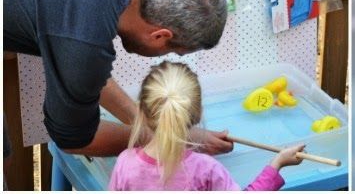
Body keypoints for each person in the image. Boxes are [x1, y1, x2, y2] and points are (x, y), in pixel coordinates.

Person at [4, 0, 232, 157]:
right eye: (173, 52)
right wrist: (174, 141)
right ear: (160, 35)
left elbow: (90, 75)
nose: (167, 57)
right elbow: (74, 139)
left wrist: (151, 124)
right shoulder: (86, 35)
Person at [108, 61, 304, 190]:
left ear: (141, 111)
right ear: (198, 113)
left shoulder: (125, 164)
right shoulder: (205, 169)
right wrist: (277, 164)